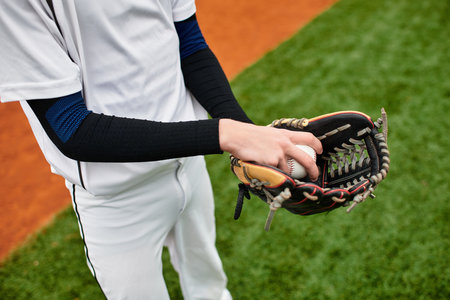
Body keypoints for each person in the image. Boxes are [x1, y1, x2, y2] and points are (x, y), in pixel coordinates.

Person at [0, 0, 322, 299]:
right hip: (117, 201)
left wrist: (248, 134)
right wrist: (225, 133)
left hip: (190, 166)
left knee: (211, 290)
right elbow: (71, 126)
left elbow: (190, 44)